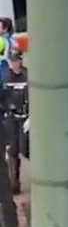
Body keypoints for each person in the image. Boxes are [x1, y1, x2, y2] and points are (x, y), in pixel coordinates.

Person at [1, 49, 27, 194]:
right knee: (13, 151)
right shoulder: (5, 77)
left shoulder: (28, 75)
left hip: (26, 118)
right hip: (10, 119)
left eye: (18, 60)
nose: (15, 63)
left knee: (27, 149)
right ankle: (14, 183)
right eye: (13, 61)